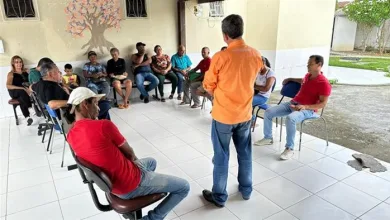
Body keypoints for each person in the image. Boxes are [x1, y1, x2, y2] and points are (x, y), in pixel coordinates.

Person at [65, 87, 190, 220]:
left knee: (152, 161)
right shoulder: (103, 125)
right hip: (130, 183)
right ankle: (152, 218)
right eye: (95, 103)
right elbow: (130, 153)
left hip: (114, 183)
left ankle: (147, 183)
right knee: (184, 187)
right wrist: (139, 171)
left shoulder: (71, 134)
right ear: (85, 104)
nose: (99, 108)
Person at [202, 14, 263, 207]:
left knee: (221, 156)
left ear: (225, 36)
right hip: (245, 114)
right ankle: (246, 190)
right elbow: (257, 75)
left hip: (223, 116)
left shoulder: (221, 56)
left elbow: (208, 84)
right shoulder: (255, 54)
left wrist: (217, 94)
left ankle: (219, 196)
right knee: (245, 154)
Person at [255, 55, 332, 160]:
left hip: (308, 110)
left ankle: (289, 148)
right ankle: (268, 137)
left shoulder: (324, 83)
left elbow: (323, 104)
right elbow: (302, 80)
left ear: (319, 65)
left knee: (291, 118)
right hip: (293, 103)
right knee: (268, 112)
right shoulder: (308, 76)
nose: (308, 66)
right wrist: (290, 79)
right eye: (308, 64)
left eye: (310, 64)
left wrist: (305, 106)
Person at [32, 62, 111, 120]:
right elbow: (52, 104)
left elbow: (30, 86)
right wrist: (76, 102)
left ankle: (101, 127)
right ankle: (102, 129)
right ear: (50, 74)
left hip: (68, 112)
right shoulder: (50, 86)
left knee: (102, 105)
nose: (60, 73)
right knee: (105, 105)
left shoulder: (40, 83)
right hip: (72, 114)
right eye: (57, 71)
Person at [6, 56, 33, 125]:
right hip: (15, 91)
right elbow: (8, 85)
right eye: (16, 62)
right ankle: (30, 108)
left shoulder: (26, 71)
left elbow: (30, 81)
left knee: (21, 98)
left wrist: (29, 87)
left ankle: (27, 117)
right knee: (22, 92)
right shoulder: (11, 74)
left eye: (20, 62)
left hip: (25, 92)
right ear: (13, 64)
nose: (19, 64)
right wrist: (22, 88)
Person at [251, 56, 275, 127]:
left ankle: (252, 121)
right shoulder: (258, 71)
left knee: (246, 102)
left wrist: (254, 86)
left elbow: (266, 89)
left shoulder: (270, 73)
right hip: (256, 94)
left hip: (263, 97)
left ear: (263, 63)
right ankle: (247, 121)